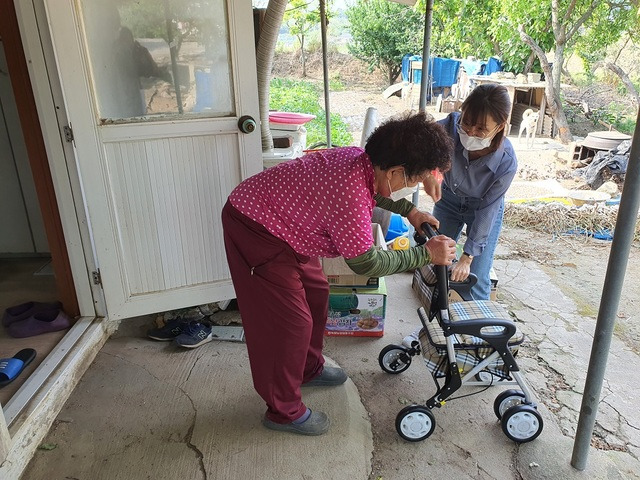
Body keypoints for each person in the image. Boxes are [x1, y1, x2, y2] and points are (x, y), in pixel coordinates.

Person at [221, 112, 457, 436]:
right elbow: (366, 263)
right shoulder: (350, 193)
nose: (411, 188)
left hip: (288, 226)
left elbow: (378, 191)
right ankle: (282, 411)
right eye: (411, 183)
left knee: (317, 294)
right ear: (395, 172)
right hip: (255, 226)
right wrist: (424, 254)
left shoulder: (361, 160)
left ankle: (307, 369)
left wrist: (412, 211)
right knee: (288, 323)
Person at [422, 83, 517, 300]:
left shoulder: (506, 162)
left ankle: (478, 331)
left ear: (500, 127)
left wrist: (467, 256)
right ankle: (435, 321)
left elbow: (488, 211)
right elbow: (419, 144)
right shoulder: (448, 127)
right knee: (436, 261)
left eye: (481, 129)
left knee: (477, 275)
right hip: (448, 200)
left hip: (482, 207)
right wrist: (428, 174)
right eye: (466, 123)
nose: (470, 132)